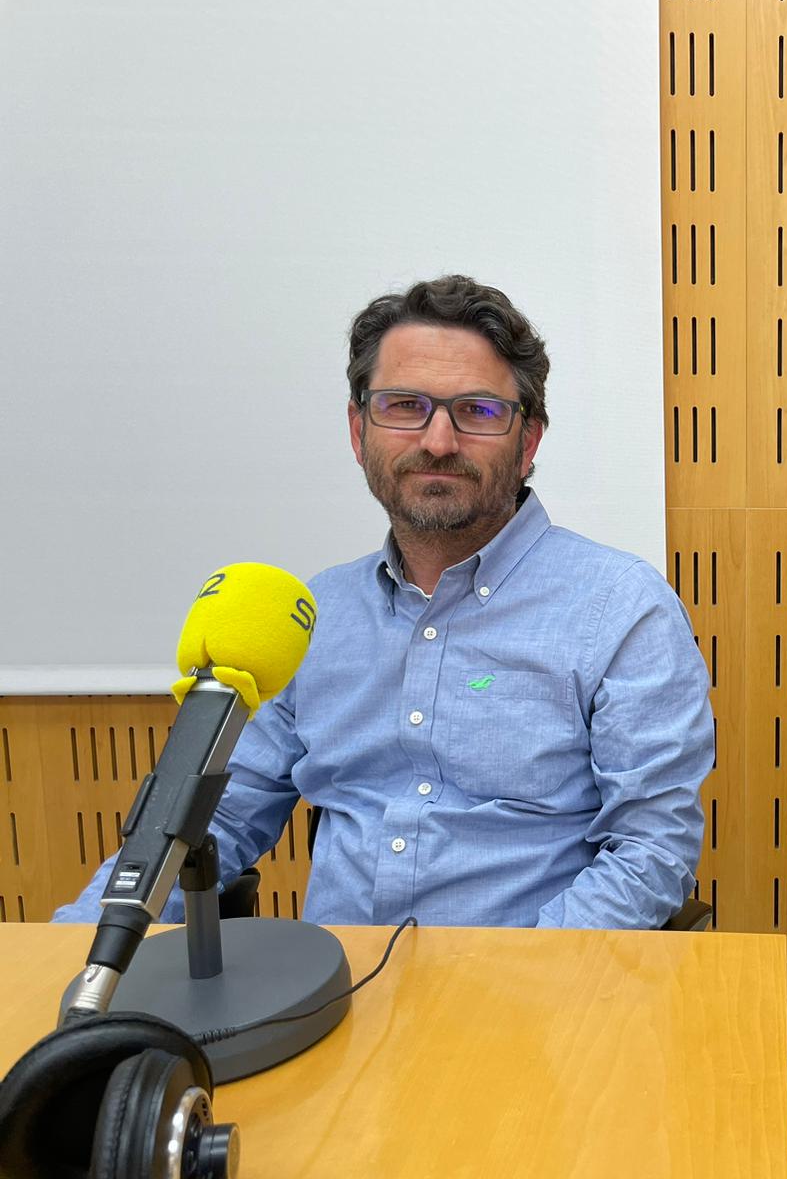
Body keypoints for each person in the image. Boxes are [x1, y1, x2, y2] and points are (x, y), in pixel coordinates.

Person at [57, 275, 712, 929]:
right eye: (404, 406)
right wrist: (83, 948)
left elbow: (649, 852)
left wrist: (520, 992)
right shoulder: (312, 617)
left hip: (531, 997)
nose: (437, 441)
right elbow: (218, 819)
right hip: (336, 997)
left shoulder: (621, 608)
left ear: (529, 440)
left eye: (478, 411)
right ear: (358, 428)